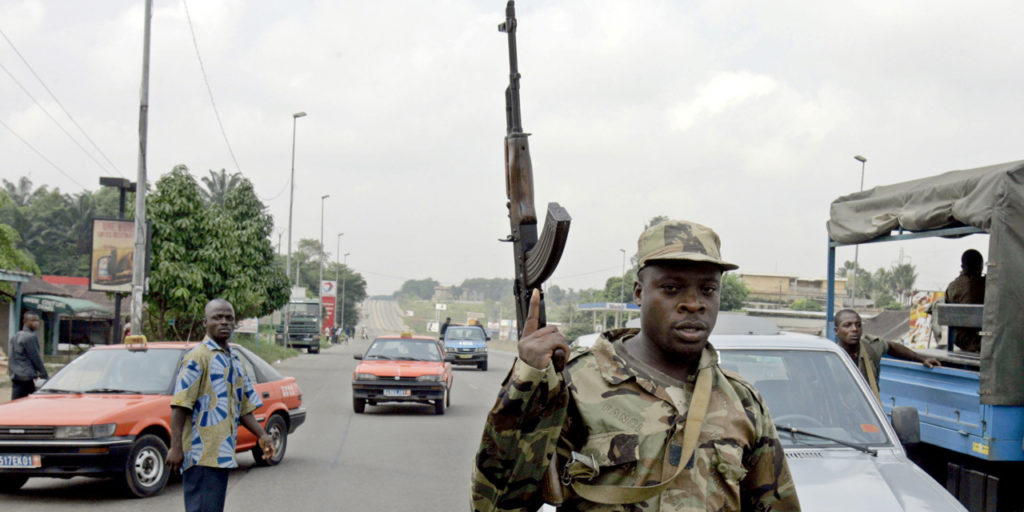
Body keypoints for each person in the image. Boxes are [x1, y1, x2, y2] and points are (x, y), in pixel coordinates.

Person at [471, 220, 800, 511]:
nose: (693, 303)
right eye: (671, 288)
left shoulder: (742, 401)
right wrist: (527, 380)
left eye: (708, 289)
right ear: (640, 293)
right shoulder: (575, 383)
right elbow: (496, 503)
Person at [167, 299, 275, 512]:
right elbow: (180, 405)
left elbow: (244, 408)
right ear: (205, 323)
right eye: (218, 317)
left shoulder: (234, 359)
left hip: (222, 454)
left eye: (229, 318)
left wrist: (262, 436)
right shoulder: (197, 358)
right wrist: (176, 446)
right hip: (200, 456)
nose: (224, 322)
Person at [834, 309, 940, 399]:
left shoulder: (871, 348)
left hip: (868, 413)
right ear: (836, 331)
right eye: (847, 325)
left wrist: (922, 359)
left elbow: (892, 347)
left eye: (858, 325)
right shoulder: (829, 357)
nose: (854, 329)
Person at [944, 249, 985, 352]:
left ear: (962, 266)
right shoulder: (982, 285)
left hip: (957, 338)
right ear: (980, 266)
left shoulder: (951, 286)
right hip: (976, 340)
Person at [7, 311, 48, 400]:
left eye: (37, 320)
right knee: (30, 401)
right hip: (26, 376)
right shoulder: (30, 337)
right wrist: (44, 374)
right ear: (25, 321)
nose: (36, 323)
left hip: (16, 375)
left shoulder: (16, 336)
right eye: (32, 320)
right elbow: (35, 357)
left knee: (16, 401)